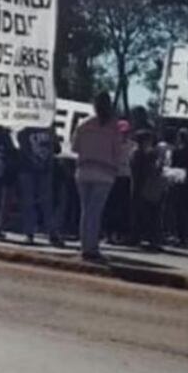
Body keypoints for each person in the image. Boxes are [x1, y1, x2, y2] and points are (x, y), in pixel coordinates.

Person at [72, 92, 122, 261]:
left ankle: (85, 245)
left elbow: (75, 147)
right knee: (95, 211)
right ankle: (91, 248)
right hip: (105, 173)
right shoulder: (113, 127)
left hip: (84, 170)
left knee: (85, 211)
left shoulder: (83, 124)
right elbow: (118, 151)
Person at [17, 124, 56, 245]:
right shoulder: (25, 131)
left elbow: (57, 148)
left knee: (46, 203)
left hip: (44, 171)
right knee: (29, 202)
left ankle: (52, 232)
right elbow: (22, 145)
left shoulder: (49, 130)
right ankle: (30, 233)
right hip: (28, 170)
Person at [130, 129, 164, 250]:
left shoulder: (146, 153)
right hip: (142, 185)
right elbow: (144, 170)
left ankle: (147, 237)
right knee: (144, 213)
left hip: (146, 186)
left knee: (148, 213)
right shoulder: (139, 153)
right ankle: (141, 237)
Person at [102, 120, 133, 244]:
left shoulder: (132, 145)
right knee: (111, 207)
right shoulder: (111, 144)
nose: (124, 135)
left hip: (126, 177)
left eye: (126, 132)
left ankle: (122, 234)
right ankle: (108, 234)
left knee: (124, 208)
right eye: (122, 132)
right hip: (113, 177)